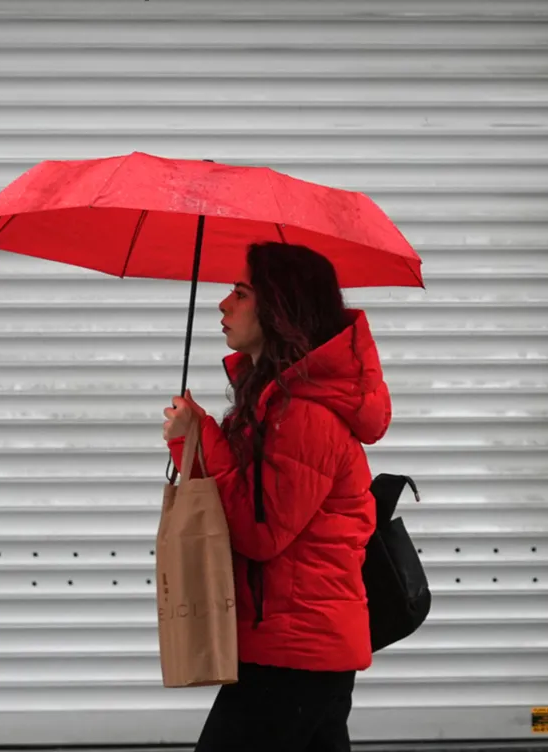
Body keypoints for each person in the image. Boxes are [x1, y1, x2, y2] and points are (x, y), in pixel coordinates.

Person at [161, 242, 392, 751]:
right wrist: (196, 439)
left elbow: (260, 532)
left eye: (240, 293)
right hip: (296, 650)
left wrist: (196, 436)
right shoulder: (276, 403)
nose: (223, 304)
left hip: (295, 654)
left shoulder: (305, 416)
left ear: (279, 308)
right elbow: (243, 498)